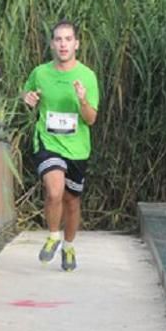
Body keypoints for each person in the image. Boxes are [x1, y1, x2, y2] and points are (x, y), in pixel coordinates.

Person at [21, 20, 100, 271]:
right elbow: (27, 96)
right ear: (52, 44)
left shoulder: (87, 76)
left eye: (68, 39)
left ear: (76, 44)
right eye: (58, 39)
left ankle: (68, 245)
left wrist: (83, 100)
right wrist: (28, 99)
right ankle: (54, 235)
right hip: (48, 141)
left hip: (77, 148)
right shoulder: (40, 73)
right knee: (54, 191)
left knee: (72, 201)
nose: (63, 44)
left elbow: (91, 119)